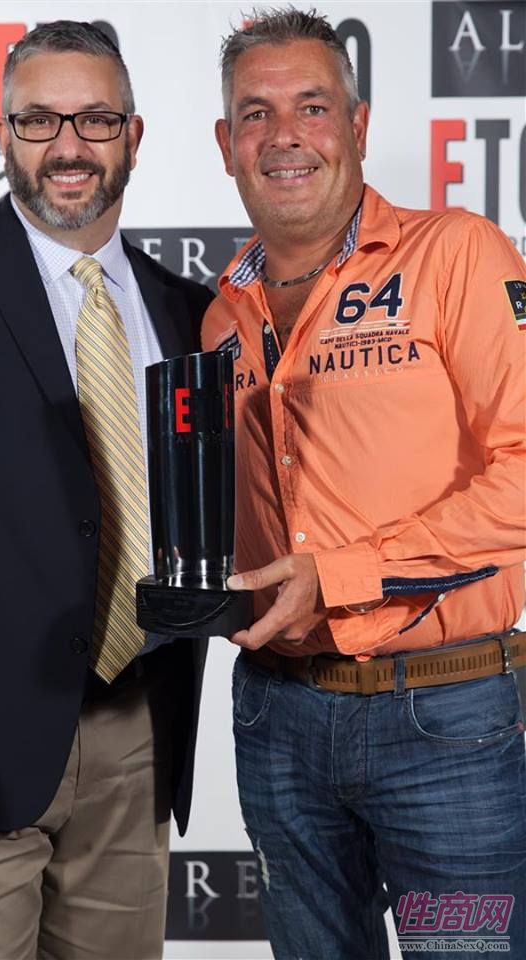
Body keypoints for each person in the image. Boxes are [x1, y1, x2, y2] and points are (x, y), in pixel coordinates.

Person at [202, 7, 526, 959]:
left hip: (442, 718)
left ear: (358, 125)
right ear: (225, 145)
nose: (284, 135)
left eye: (312, 106)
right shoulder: (223, 314)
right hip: (275, 717)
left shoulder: (456, 254)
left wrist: (342, 574)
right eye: (255, 114)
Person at [0, 20, 212, 960]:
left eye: (96, 120)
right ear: (4, 133)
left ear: (134, 136)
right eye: (39, 121)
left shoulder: (186, 309)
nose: (68, 147)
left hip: (139, 734)